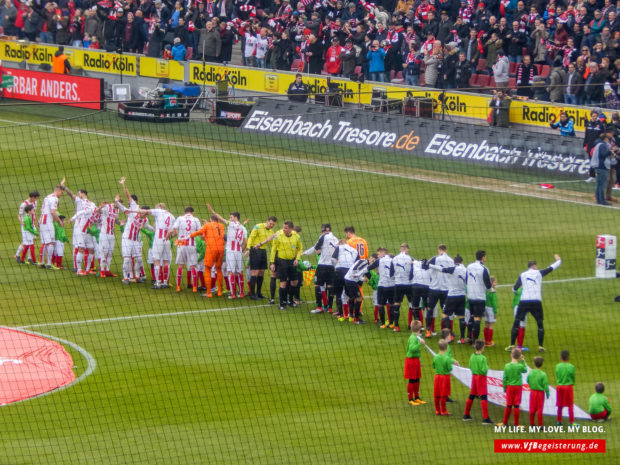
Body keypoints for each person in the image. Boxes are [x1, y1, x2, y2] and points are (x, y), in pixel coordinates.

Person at [508, 254, 561, 353]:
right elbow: (552, 267)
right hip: (536, 301)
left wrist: (517, 292)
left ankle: (511, 345)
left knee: (516, 322)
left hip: (524, 301)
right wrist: (558, 259)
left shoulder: (523, 274)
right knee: (540, 323)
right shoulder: (539, 273)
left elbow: (514, 288)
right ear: (535, 266)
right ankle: (540, 346)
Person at [208, 205, 248, 299]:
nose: (230, 219)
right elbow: (245, 241)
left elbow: (219, 218)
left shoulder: (231, 224)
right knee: (239, 272)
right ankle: (241, 293)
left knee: (231, 272)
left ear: (235, 218)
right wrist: (241, 249)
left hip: (231, 252)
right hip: (239, 252)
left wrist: (212, 210)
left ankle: (233, 294)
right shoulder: (243, 228)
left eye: (231, 217)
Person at [302, 223, 339, 313]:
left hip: (322, 265)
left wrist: (304, 253)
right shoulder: (336, 239)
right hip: (331, 266)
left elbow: (316, 248)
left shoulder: (323, 237)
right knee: (330, 286)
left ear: (326, 230)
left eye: (322, 231)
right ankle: (329, 308)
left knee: (318, 285)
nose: (322, 233)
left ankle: (320, 307)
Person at [431, 254, 466, 341]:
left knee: (445, 314)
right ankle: (462, 338)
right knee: (461, 316)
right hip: (462, 296)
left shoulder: (453, 269)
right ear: (462, 262)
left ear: (454, 262)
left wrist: (429, 265)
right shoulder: (466, 269)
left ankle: (449, 336)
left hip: (452, 296)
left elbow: (442, 269)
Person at [269, 220, 302, 310]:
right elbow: (273, 250)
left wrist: (297, 259)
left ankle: (290, 300)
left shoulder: (296, 236)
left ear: (291, 229)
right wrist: (272, 262)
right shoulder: (278, 236)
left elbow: (300, 248)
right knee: (283, 283)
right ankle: (282, 304)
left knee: (294, 282)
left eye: (286, 228)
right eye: (283, 227)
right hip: (282, 261)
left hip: (292, 261)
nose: (284, 229)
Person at [190, 214, 225, 297]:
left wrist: (190, 235)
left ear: (211, 219)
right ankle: (220, 291)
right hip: (221, 249)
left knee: (207, 269)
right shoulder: (222, 226)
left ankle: (209, 292)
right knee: (219, 269)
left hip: (211, 249)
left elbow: (200, 232)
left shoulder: (207, 225)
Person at [141, 204, 175, 289]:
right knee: (166, 261)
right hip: (166, 240)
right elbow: (174, 232)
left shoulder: (159, 212)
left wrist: (132, 210)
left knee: (156, 260)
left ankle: (158, 283)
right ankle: (165, 283)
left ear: (160, 208)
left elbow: (146, 211)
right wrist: (168, 236)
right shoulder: (172, 216)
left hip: (158, 240)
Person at [462, 339, 494, 425]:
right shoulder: (483, 358)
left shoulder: (472, 356)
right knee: (484, 397)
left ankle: (466, 415)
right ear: (483, 347)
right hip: (481, 378)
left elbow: (470, 366)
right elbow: (484, 370)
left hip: (474, 377)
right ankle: (485, 418)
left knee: (472, 395)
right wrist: (487, 367)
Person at [425, 244, 453, 338]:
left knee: (430, 308)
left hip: (434, 288)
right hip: (445, 289)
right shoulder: (451, 260)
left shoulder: (435, 258)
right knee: (445, 311)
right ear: (446, 250)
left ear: (439, 250)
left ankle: (428, 331)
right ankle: (447, 334)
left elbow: (426, 266)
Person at [246, 216, 277, 300]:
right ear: (267, 221)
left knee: (261, 272)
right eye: (270, 223)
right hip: (255, 250)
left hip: (263, 252)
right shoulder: (258, 226)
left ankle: (259, 293)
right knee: (255, 272)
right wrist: (248, 248)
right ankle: (252, 294)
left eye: (273, 224)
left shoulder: (271, 231)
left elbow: (271, 244)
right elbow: (251, 237)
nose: (271, 225)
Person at [343, 254, 378, 324]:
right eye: (373, 260)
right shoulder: (363, 262)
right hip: (351, 280)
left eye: (374, 262)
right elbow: (354, 270)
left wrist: (362, 278)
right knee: (359, 298)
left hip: (348, 279)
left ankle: (351, 315)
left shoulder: (366, 264)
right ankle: (356, 319)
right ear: (370, 258)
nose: (373, 262)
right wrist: (361, 278)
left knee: (352, 297)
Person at [38, 181, 65, 269]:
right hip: (47, 222)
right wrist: (59, 221)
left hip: (41, 221)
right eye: (61, 192)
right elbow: (53, 212)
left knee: (44, 242)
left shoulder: (47, 197)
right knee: (51, 242)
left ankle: (41, 263)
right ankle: (49, 264)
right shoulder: (55, 199)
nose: (62, 194)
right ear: (58, 191)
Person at [497, 348, 527, 427]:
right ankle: (516, 424)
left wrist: (504, 387)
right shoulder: (520, 366)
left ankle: (504, 423)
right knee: (516, 405)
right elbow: (525, 370)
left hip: (509, 387)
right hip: (518, 387)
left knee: (509, 405)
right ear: (519, 356)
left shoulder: (507, 366)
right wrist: (523, 360)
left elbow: (505, 378)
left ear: (511, 355)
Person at [389, 243, 414, 332]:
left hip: (398, 284)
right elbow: (413, 272)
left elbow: (391, 273)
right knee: (412, 304)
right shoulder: (410, 259)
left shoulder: (394, 259)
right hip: (408, 285)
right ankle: (411, 326)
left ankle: (396, 326)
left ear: (400, 249)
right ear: (407, 250)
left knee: (396, 304)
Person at [333, 238, 359, 320]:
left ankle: (340, 315)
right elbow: (356, 261)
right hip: (349, 272)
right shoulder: (353, 249)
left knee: (339, 293)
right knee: (350, 294)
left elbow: (332, 258)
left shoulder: (339, 247)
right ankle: (351, 315)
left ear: (340, 243)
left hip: (339, 271)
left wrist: (336, 265)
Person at [591, 130, 617, 206]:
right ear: (605, 138)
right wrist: (611, 151)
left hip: (599, 166)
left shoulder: (599, 144)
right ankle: (602, 200)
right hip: (602, 166)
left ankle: (599, 200)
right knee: (601, 184)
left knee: (599, 184)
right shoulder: (602, 145)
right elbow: (603, 154)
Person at [433, 339, 458, 416]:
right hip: (445, 378)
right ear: (446, 348)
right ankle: (443, 411)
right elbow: (449, 368)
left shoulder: (435, 357)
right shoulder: (447, 358)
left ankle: (437, 410)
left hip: (437, 377)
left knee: (436, 394)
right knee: (443, 394)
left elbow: (433, 366)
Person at [404, 320, 426, 406]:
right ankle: (410, 399)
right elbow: (412, 349)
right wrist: (420, 344)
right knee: (412, 379)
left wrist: (419, 361)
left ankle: (417, 397)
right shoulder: (413, 338)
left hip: (415, 360)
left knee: (417, 379)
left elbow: (417, 352)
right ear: (419, 329)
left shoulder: (416, 336)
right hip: (411, 361)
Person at [15, 190, 40, 262]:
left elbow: (34, 213)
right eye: (35, 198)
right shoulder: (23, 204)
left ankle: (29, 258)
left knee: (32, 240)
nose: (36, 200)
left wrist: (37, 222)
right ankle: (17, 255)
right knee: (26, 242)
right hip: (25, 226)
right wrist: (22, 222)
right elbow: (19, 215)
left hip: (32, 224)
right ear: (32, 197)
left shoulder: (35, 202)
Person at [98, 200, 120, 279]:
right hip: (104, 234)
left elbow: (116, 220)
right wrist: (101, 206)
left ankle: (107, 270)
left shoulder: (117, 210)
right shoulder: (107, 207)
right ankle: (101, 271)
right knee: (104, 252)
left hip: (111, 234)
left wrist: (121, 223)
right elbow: (98, 211)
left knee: (110, 253)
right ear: (115, 203)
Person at [556, 350, 578, 426]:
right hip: (568, 387)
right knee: (570, 405)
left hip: (559, 387)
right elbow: (573, 377)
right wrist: (572, 383)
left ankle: (559, 421)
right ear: (568, 357)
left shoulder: (557, 366)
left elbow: (557, 375)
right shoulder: (571, 367)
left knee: (560, 405)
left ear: (560, 357)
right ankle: (571, 422)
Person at [527, 356, 549, 427]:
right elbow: (545, 385)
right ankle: (540, 425)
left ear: (534, 364)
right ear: (542, 364)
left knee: (532, 408)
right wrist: (547, 393)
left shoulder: (531, 372)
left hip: (532, 393)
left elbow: (527, 380)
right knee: (539, 409)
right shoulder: (543, 374)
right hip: (540, 394)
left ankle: (532, 424)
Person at [377, 248, 395, 328]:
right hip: (392, 286)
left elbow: (370, 267)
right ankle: (391, 323)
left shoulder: (380, 261)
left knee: (381, 305)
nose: (378, 255)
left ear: (382, 253)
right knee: (391, 304)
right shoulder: (393, 261)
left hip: (382, 285)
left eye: (378, 254)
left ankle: (383, 324)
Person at [483, 276, 498, 347]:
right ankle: (489, 341)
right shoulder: (493, 292)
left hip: (485, 308)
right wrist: (495, 312)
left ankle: (486, 341)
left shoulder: (485, 290)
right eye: (495, 282)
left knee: (486, 324)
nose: (496, 283)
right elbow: (494, 303)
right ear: (491, 283)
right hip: (491, 309)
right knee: (491, 325)